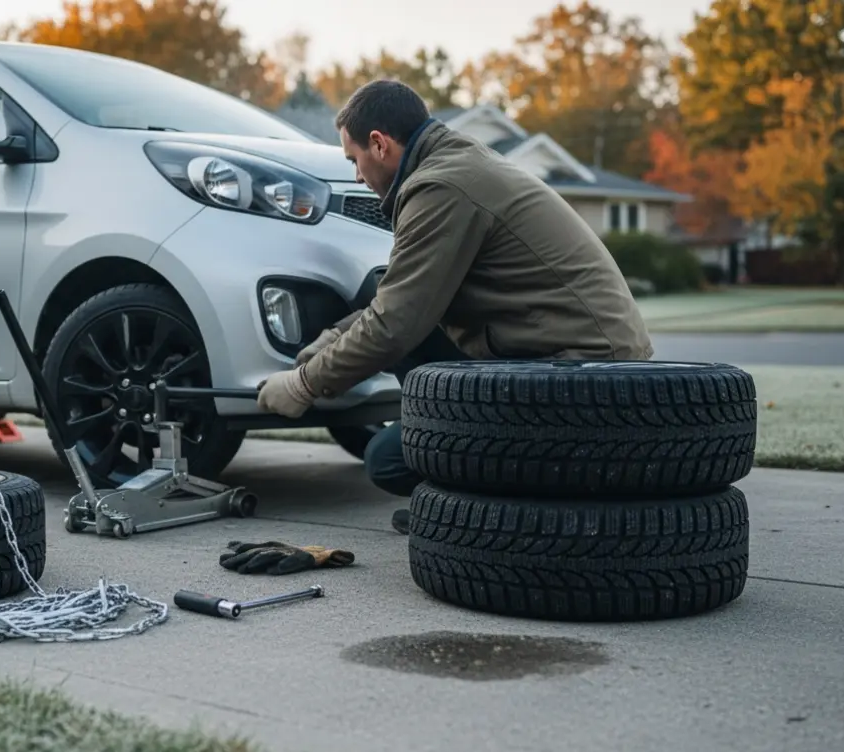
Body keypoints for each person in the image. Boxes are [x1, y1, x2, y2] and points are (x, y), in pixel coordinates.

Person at [255, 79, 654, 534]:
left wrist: (305, 384)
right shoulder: (455, 162)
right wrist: (328, 344)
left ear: (379, 144)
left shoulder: (441, 187)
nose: (358, 177)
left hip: (583, 381)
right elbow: (397, 297)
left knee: (388, 461)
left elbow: (394, 326)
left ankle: (484, 505)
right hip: (561, 359)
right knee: (383, 289)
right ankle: (454, 452)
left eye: (354, 161)